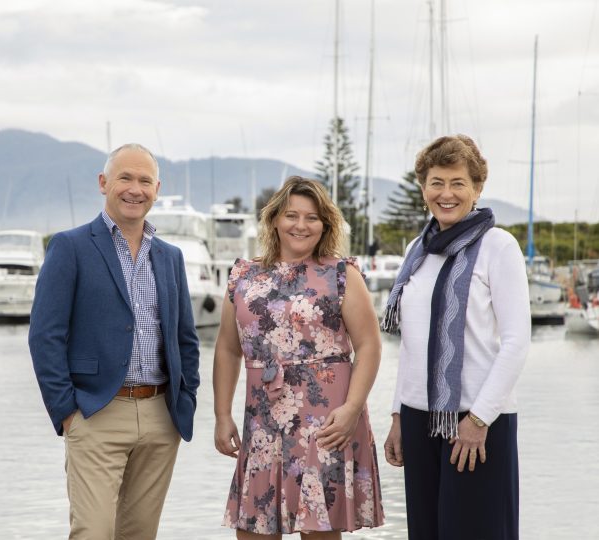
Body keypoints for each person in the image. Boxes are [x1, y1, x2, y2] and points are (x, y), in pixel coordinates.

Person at [28, 143, 200, 539]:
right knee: (93, 531)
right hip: (95, 413)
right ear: (104, 183)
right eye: (125, 177)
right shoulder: (70, 246)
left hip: (161, 415)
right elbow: (45, 336)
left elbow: (185, 338)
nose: (134, 189)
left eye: (144, 180)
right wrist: (67, 411)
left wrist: (185, 398)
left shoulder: (170, 256)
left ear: (157, 189)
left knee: (140, 534)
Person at [214, 176, 385, 539]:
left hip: (327, 420)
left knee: (319, 530)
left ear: (325, 224)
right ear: (275, 219)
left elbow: (369, 345)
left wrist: (353, 408)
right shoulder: (243, 276)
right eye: (292, 215)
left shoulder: (342, 275)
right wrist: (221, 414)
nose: (301, 225)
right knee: (254, 530)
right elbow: (228, 349)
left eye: (312, 218)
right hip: (262, 421)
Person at [381, 134, 531, 540]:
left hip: (476, 419)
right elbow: (412, 345)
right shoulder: (418, 249)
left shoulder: (498, 247)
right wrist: (397, 416)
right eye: (436, 182)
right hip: (418, 417)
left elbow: (517, 342)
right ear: (423, 187)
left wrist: (479, 419)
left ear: (477, 188)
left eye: (458, 183)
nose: (446, 194)